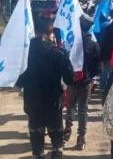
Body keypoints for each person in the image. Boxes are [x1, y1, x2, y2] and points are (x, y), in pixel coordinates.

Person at [15, 15, 75, 159]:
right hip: (54, 103)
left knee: (36, 142)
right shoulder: (59, 53)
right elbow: (70, 78)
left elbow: (17, 81)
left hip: (33, 102)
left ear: (34, 30)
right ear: (50, 30)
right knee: (56, 141)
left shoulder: (24, 54)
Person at [63, 14, 100, 150]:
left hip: (71, 80)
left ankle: (66, 132)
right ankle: (81, 138)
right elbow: (97, 67)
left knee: (71, 106)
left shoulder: (71, 42)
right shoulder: (94, 45)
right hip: (85, 81)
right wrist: (90, 77)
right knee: (83, 110)